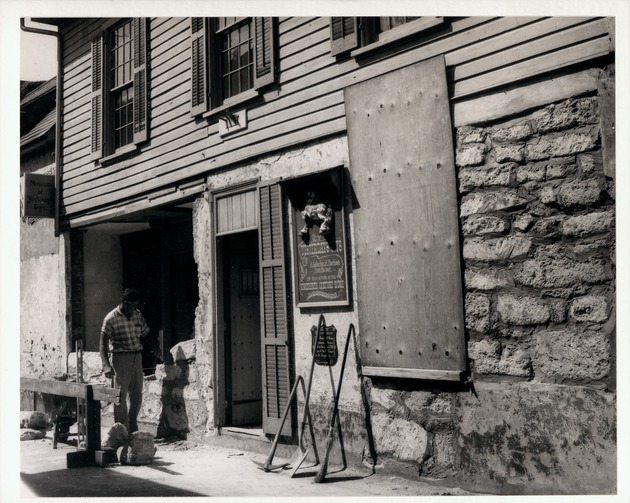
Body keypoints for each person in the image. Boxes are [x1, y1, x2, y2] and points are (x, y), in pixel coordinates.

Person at [100, 288, 150, 434]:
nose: (134, 308)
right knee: (121, 395)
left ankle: (133, 427)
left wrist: (157, 349)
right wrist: (106, 365)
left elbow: (146, 334)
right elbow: (102, 344)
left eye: (136, 305)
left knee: (136, 395)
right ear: (125, 303)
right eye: (132, 305)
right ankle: (122, 429)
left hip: (136, 357)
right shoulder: (111, 318)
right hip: (121, 358)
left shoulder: (137, 315)